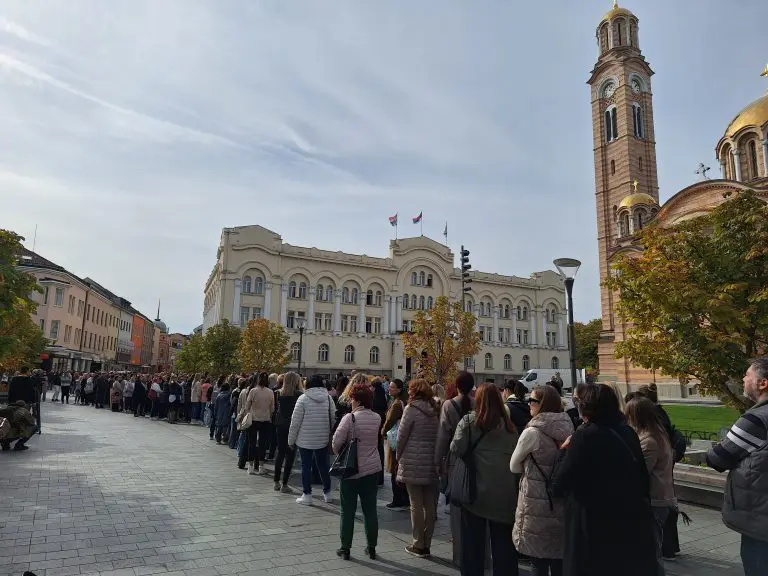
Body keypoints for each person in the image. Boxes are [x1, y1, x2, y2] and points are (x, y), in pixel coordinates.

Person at [552, 383, 655, 576]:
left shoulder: (584, 436)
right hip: (627, 521)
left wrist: (563, 451)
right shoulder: (627, 431)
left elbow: (559, 483)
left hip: (591, 526)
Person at [706, 357, 768, 576]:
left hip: (761, 525)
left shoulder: (756, 419)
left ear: (763, 383)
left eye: (748, 374)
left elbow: (717, 459)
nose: (743, 378)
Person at [451, 383, 519, 576]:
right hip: (504, 494)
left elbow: (456, 449)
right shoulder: (509, 426)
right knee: (504, 546)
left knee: (472, 545)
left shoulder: (470, 421)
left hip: (475, 492)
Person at [511, 384, 574, 576]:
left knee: (538, 559)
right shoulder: (569, 426)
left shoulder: (532, 432)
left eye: (533, 401)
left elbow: (513, 465)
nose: (529, 403)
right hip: (561, 500)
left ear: (543, 404)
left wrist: (531, 469)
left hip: (536, 500)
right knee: (558, 556)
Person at [625, 396, 676, 576]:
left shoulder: (649, 441)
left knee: (651, 549)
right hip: (660, 498)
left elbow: (639, 473)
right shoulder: (658, 433)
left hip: (655, 500)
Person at [332, 381, 382, 561]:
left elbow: (336, 443)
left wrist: (341, 454)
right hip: (372, 468)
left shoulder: (349, 418)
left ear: (357, 400)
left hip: (351, 469)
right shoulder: (377, 418)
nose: (350, 402)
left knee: (348, 510)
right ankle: (372, 547)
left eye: (352, 398)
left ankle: (345, 547)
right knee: (370, 510)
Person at [435, 371, 476, 565]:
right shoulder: (478, 404)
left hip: (455, 459)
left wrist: (437, 461)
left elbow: (443, 436)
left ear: (457, 386)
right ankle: (482, 557)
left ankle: (460, 557)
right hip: (477, 459)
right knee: (476, 509)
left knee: (457, 510)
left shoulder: (448, 405)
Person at [397, 378, 440, 558]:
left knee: (415, 504)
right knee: (430, 506)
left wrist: (398, 457)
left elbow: (401, 436)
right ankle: (427, 543)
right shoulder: (436, 410)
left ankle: (418, 543)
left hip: (412, 462)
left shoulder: (411, 409)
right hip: (431, 461)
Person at [288, 374, 337, 505]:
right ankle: (327, 493)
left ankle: (307, 495)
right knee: (323, 466)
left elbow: (295, 422)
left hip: (305, 439)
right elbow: (333, 418)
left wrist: (290, 440)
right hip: (322, 438)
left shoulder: (303, 399)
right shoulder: (328, 398)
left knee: (306, 466)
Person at [239, 372, 274, 475]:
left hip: (253, 419)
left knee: (251, 443)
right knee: (262, 444)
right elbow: (272, 408)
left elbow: (247, 405)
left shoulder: (253, 391)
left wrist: (248, 412)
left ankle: (250, 466)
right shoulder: (270, 392)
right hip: (265, 419)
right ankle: (261, 466)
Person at [382, 378, 409, 509]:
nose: (389, 389)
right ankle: (404, 498)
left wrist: (382, 432)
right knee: (399, 469)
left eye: (392, 387)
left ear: (399, 389)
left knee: (394, 469)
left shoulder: (397, 404)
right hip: (401, 439)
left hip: (394, 440)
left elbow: (389, 422)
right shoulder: (401, 401)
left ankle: (397, 499)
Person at [274, 372, 302, 492]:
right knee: (290, 454)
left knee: (280, 452)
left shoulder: (278, 393)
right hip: (293, 425)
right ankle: (285, 484)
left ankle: (276, 481)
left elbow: (275, 409)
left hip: (280, 424)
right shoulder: (299, 394)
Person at [371, 377, 389, 486]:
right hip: (381, 427)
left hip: (374, 428)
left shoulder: (373, 398)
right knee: (380, 450)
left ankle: (376, 478)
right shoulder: (382, 394)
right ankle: (380, 478)